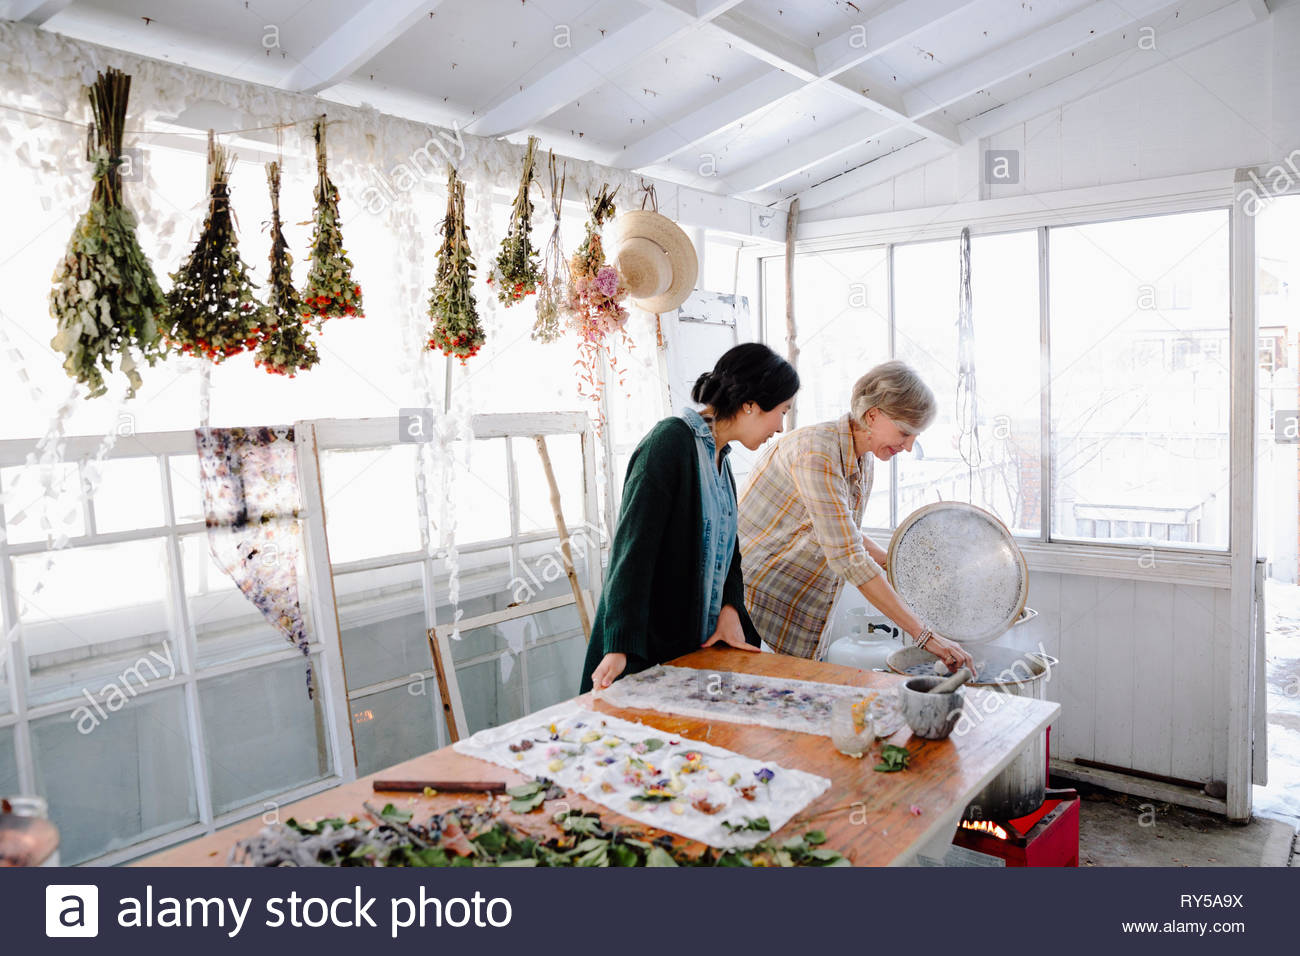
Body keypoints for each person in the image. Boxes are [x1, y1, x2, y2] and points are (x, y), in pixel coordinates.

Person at [580, 343, 799, 692]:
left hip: (689, 650)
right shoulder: (668, 444)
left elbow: (730, 551)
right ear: (751, 405)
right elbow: (632, 552)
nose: (781, 426)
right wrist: (619, 645)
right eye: (782, 411)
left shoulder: (721, 461)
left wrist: (730, 606)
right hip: (643, 649)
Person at [739, 360, 977, 675]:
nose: (908, 447)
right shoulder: (816, 454)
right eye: (905, 432)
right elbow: (849, 557)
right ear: (872, 415)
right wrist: (926, 637)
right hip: (755, 616)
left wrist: (904, 565)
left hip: (799, 620)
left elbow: (842, 531)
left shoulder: (862, 458)